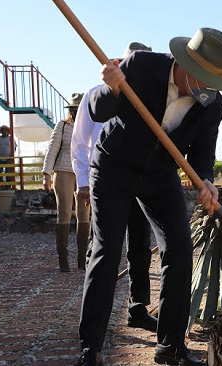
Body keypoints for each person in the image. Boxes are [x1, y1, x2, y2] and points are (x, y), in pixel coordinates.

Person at [76, 27, 222, 366]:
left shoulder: (212, 104)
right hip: (114, 166)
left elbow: (202, 155)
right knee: (107, 251)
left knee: (179, 247)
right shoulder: (140, 66)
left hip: (160, 175)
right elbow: (96, 110)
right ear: (185, 65)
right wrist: (111, 87)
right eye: (203, 78)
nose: (207, 87)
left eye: (214, 82)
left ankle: (171, 346)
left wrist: (206, 182)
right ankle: (90, 348)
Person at [71, 41, 158, 332]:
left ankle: (137, 308)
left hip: (137, 178)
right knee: (102, 250)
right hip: (104, 180)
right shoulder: (95, 95)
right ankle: (94, 315)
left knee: (140, 247)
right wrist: (83, 183)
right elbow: (79, 143)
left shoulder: (145, 96)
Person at [42, 93, 91, 273]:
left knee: (84, 215)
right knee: (63, 213)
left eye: (80, 108)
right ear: (71, 110)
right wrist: (46, 173)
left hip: (84, 173)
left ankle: (82, 259)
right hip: (63, 171)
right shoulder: (62, 126)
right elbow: (52, 148)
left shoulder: (89, 125)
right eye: (75, 109)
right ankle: (63, 260)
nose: (77, 111)